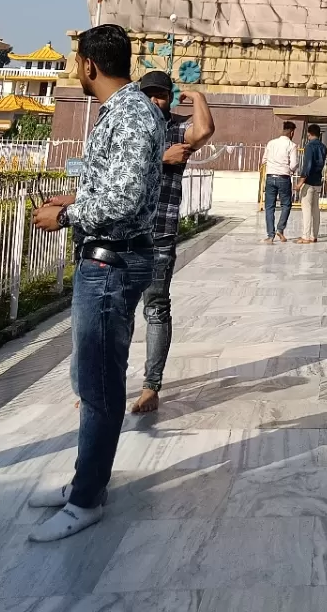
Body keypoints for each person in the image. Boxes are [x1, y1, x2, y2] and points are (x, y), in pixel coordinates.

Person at [28, 24, 165, 542]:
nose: (74, 70)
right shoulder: (125, 111)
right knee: (91, 379)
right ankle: (85, 481)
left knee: (100, 384)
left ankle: (87, 499)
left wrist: (65, 217)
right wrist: (76, 200)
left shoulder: (131, 113)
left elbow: (126, 200)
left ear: (87, 64)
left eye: (74, 61)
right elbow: (117, 185)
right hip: (106, 256)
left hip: (112, 263)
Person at [129, 71, 214, 416]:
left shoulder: (176, 129)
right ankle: (104, 382)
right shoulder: (128, 129)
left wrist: (196, 96)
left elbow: (204, 130)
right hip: (124, 231)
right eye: (148, 94)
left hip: (159, 230)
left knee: (156, 308)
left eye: (161, 95)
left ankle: (151, 385)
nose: (155, 101)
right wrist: (160, 159)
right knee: (116, 312)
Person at [261, 120, 297, 243]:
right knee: (286, 204)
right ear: (292, 133)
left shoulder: (271, 143)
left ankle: (270, 236)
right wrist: (291, 170)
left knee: (269, 206)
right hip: (284, 178)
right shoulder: (292, 145)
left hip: (270, 177)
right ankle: (280, 229)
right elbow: (294, 164)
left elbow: (263, 160)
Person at [295, 123, 327, 244]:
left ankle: (305, 236)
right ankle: (314, 235)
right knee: (315, 209)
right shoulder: (324, 148)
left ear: (309, 133)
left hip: (309, 182)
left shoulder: (309, 146)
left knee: (307, 209)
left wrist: (300, 183)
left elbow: (307, 166)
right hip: (318, 181)